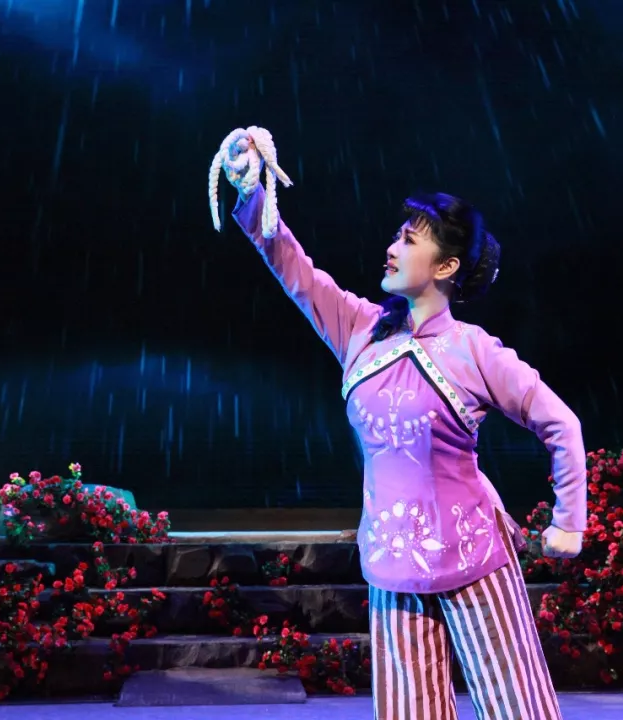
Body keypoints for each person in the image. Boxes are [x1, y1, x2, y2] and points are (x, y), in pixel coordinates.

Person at [222, 147, 587, 720]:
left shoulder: (473, 350)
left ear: (446, 267)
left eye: (410, 240)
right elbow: (295, 271)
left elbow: (562, 424)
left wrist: (568, 521)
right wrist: (253, 194)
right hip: (392, 564)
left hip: (473, 556)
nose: (392, 247)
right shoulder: (361, 329)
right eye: (397, 235)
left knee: (518, 710)